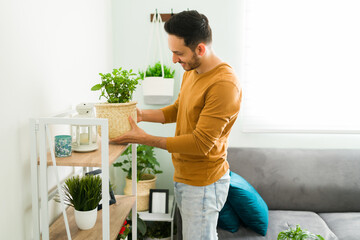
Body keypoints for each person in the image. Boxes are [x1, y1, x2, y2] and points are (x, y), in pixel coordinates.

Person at [111, 10, 242, 240]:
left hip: (203, 185)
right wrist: (141, 115)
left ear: (200, 49)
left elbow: (201, 144)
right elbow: (178, 109)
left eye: (178, 53)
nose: (173, 60)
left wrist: (145, 139)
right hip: (184, 177)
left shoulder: (224, 84)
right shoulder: (191, 71)